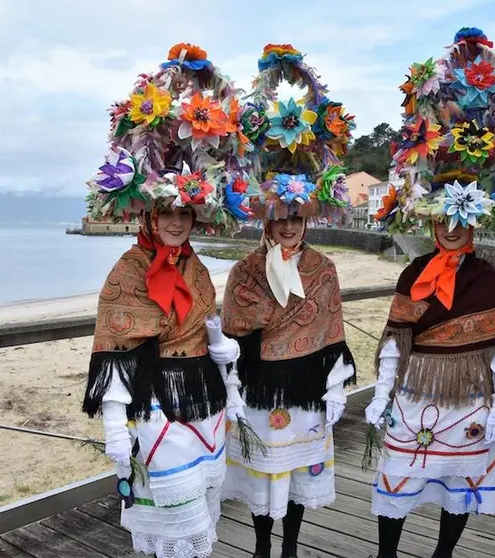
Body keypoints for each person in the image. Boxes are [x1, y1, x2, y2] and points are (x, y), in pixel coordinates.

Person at [365, 27, 495, 558]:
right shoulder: (414, 270)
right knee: (397, 477)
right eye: (443, 222)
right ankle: (388, 554)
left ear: (475, 224)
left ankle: (443, 554)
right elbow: (396, 339)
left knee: (458, 489)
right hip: (416, 397)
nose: (452, 232)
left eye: (461, 223)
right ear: (433, 221)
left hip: (468, 403)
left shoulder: (486, 275)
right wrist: (380, 393)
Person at [81, 43, 253, 558]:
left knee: (202, 509)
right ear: (149, 217)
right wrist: (115, 429)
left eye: (186, 214)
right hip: (157, 403)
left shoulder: (197, 265)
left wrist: (231, 374)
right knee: (168, 519)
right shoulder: (128, 270)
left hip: (204, 403)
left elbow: (209, 328)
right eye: (167, 213)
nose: (177, 222)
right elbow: (114, 348)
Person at [219, 44, 357, 558]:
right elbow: (234, 330)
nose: (288, 227)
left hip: (306, 391)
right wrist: (231, 388)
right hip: (259, 390)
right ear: (266, 221)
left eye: (296, 218)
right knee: (261, 477)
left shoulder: (323, 269)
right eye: (279, 218)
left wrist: (336, 388)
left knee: (297, 474)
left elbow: (331, 332)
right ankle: (260, 547)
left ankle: (292, 547)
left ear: (307, 219)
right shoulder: (245, 270)